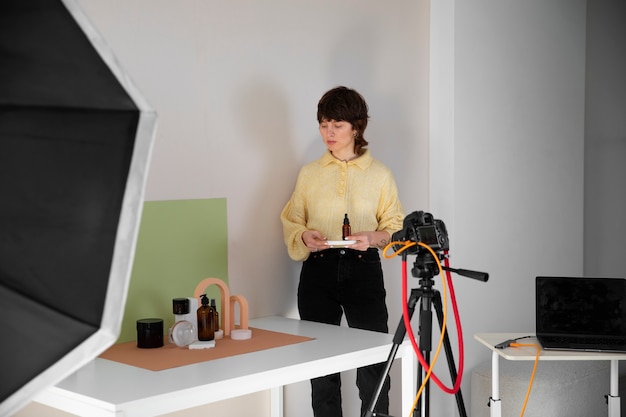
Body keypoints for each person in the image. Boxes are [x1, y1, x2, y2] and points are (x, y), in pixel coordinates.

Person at [280, 86, 405, 417]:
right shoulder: (309, 174)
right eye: (323, 124)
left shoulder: (380, 175)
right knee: (320, 367)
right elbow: (292, 219)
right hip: (317, 273)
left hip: (363, 269)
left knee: (375, 362)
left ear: (356, 126)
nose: (329, 132)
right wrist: (304, 234)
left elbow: (395, 226)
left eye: (337, 124)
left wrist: (375, 236)